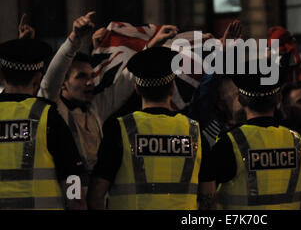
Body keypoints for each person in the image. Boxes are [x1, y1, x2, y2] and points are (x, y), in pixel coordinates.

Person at [37, 12, 178, 176]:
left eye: (91, 76)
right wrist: (75, 39)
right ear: (63, 83)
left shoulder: (95, 108)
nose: (90, 82)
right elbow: (52, 77)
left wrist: (152, 45)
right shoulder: (50, 107)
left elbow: (127, 79)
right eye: (81, 77)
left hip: (92, 195)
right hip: (66, 196)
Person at [87, 46, 214, 210]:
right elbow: (208, 196)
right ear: (172, 88)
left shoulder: (119, 129)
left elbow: (96, 195)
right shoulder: (194, 131)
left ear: (137, 89)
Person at [0, 39, 86, 210]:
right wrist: (75, 202)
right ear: (38, 78)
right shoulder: (47, 116)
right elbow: (72, 175)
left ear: (2, 75)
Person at [211, 60, 301, 210]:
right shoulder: (297, 141)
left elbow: (206, 194)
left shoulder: (230, 143)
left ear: (241, 99)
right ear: (279, 99)